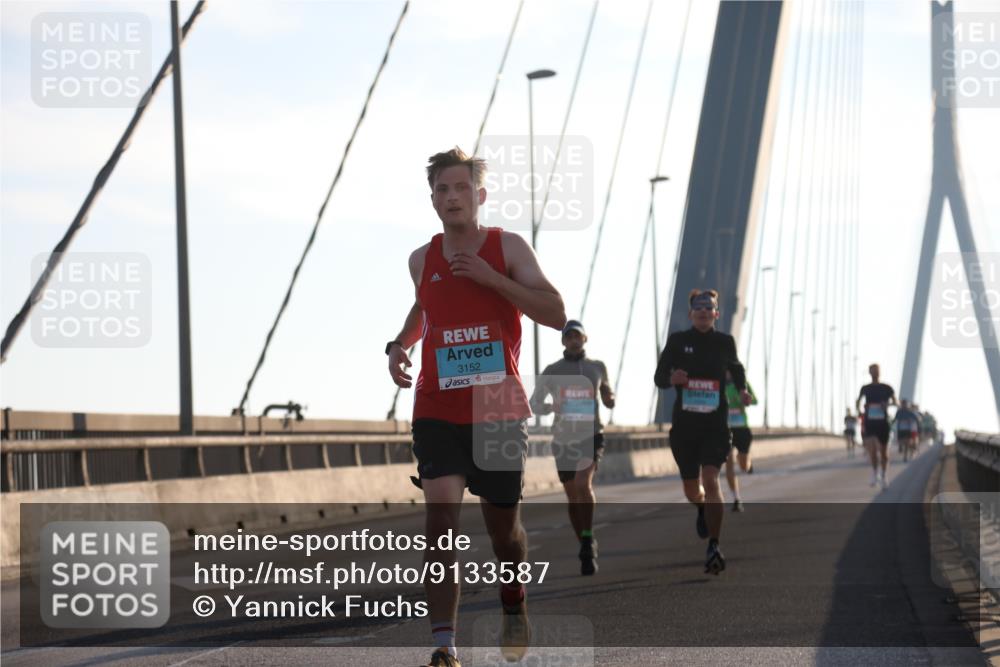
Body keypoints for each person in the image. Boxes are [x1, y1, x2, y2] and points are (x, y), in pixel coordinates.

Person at [387, 147, 566, 666]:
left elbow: (555, 312)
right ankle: (445, 645)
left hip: (496, 407)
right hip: (436, 406)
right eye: (442, 190)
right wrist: (402, 343)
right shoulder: (421, 258)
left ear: (479, 195)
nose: (451, 197)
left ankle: (514, 599)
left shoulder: (507, 246)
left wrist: (492, 280)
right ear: (433, 200)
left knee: (503, 534)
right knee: (440, 520)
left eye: (461, 188)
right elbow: (426, 306)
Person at [654, 289, 752, 575]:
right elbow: (659, 377)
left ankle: (714, 543)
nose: (703, 312)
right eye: (698, 308)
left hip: (715, 426)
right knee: (691, 488)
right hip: (685, 427)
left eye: (709, 308)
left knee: (711, 479)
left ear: (716, 314)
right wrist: (671, 378)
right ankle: (700, 508)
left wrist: (742, 390)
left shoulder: (725, 342)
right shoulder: (678, 341)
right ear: (691, 313)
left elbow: (737, 368)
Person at [529, 319, 615, 576]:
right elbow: (535, 404)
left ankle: (588, 538)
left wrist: (610, 399)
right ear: (563, 341)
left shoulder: (596, 367)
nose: (573, 340)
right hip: (563, 438)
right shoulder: (552, 370)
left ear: (585, 339)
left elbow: (608, 395)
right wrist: (549, 407)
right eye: (569, 337)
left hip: (591, 435)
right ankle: (585, 545)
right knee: (572, 496)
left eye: (577, 336)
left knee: (582, 484)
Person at [855, 363, 897, 489]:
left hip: (883, 422)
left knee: (883, 453)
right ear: (869, 373)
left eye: (876, 371)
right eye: (872, 371)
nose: (875, 373)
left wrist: (888, 405)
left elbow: (896, 401)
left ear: (880, 372)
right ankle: (874, 473)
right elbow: (858, 401)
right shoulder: (865, 388)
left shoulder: (887, 388)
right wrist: (859, 412)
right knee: (872, 450)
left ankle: (884, 475)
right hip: (870, 421)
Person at [722, 371, 757, 512]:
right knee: (729, 463)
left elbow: (754, 400)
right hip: (725, 429)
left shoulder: (741, 383)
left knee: (742, 465)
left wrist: (744, 398)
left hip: (741, 429)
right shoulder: (718, 383)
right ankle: (736, 498)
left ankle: (748, 465)